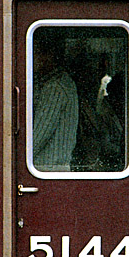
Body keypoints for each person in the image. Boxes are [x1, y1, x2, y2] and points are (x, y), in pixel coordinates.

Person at [32, 32, 79, 172]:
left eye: (36, 54)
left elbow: (40, 134)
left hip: (47, 169)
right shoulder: (64, 82)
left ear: (49, 56)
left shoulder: (55, 88)